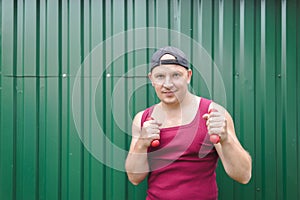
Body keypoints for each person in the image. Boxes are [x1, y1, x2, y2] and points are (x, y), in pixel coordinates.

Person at [125, 46, 252, 200]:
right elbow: (134, 178)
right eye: (160, 76)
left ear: (188, 76)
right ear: (151, 79)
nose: (168, 84)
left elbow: (244, 175)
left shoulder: (212, 113)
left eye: (176, 75)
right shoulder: (142, 119)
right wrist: (141, 143)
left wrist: (226, 139)